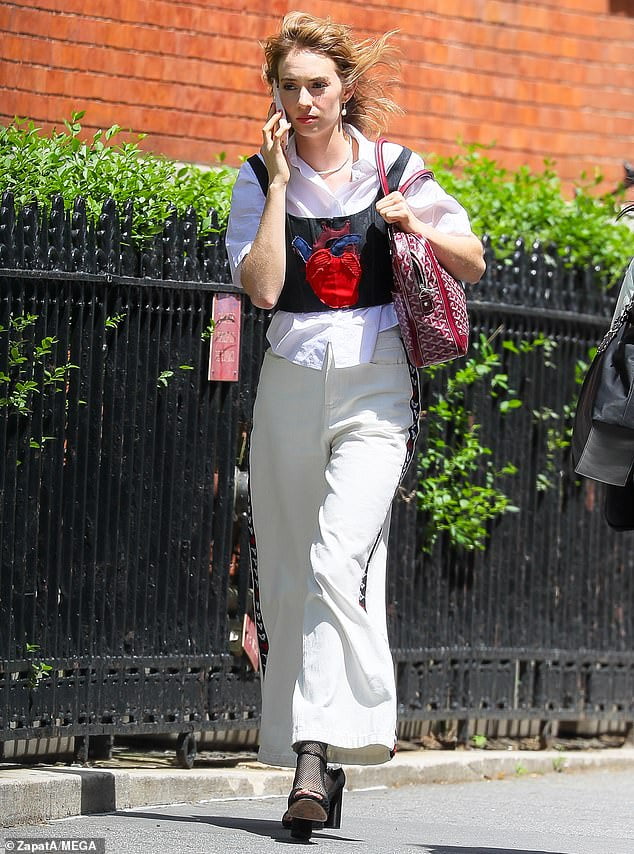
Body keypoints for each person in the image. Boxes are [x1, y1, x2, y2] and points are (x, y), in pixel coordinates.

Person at [225, 11, 485, 840]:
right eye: (289, 87)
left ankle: (312, 756)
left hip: (376, 389)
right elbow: (263, 290)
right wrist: (274, 186)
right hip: (289, 384)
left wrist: (416, 225)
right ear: (275, 94)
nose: (303, 101)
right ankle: (321, 753)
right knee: (295, 578)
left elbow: (474, 261)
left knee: (340, 557)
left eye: (318, 85)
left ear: (345, 89)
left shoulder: (393, 167)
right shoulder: (253, 177)